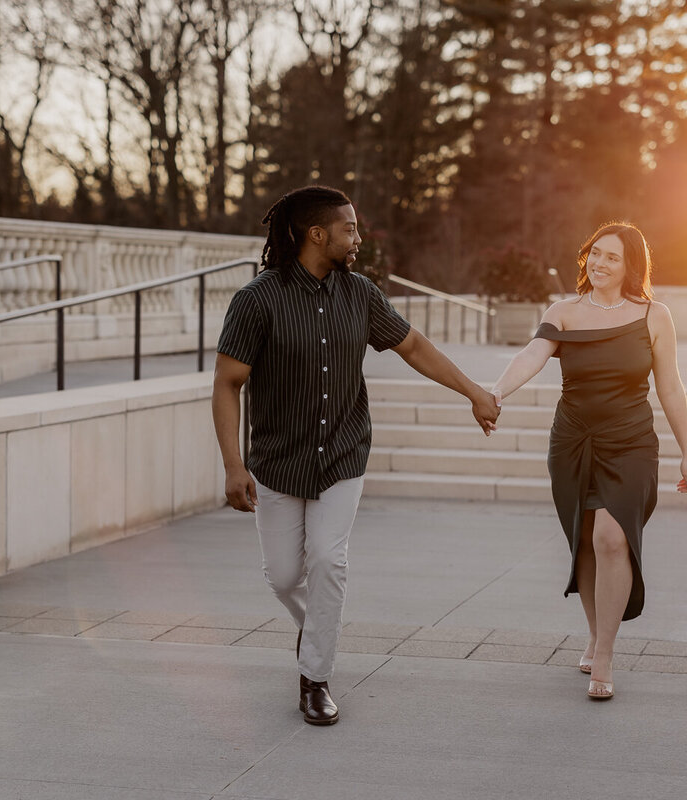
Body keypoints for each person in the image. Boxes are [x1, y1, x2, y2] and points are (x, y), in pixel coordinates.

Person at [211, 185, 500, 726]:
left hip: (344, 452)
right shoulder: (258, 299)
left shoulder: (361, 294)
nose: (359, 238)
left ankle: (315, 678)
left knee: (328, 562)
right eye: (349, 229)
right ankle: (317, 627)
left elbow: (413, 346)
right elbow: (228, 383)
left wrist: (474, 392)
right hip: (277, 460)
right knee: (281, 576)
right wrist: (233, 465)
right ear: (316, 234)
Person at [490, 221, 687, 700]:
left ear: (631, 267)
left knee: (610, 535)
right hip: (573, 441)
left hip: (631, 442)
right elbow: (533, 354)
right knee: (585, 540)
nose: (600, 263)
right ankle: (595, 634)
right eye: (595, 253)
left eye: (612, 257)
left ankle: (604, 653)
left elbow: (669, 385)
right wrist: (497, 390)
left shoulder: (654, 315)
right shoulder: (563, 312)